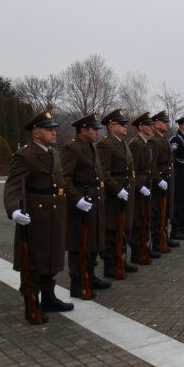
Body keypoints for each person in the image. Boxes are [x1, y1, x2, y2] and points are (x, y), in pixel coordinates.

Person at [3, 109, 71, 321]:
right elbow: (12, 186)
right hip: (37, 216)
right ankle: (31, 301)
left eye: (54, 130)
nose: (54, 133)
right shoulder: (26, 155)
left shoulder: (54, 154)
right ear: (36, 133)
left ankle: (49, 297)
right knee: (33, 260)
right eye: (48, 130)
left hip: (56, 214)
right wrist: (14, 209)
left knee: (52, 256)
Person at [60, 113, 110, 298]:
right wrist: (76, 198)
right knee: (78, 244)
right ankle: (77, 283)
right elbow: (64, 178)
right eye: (94, 129)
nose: (98, 132)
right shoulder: (71, 148)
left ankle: (90, 276)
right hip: (79, 204)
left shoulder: (91, 146)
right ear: (83, 130)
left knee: (93, 241)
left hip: (93, 201)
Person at [97, 109, 137, 276]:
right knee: (111, 229)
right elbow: (104, 172)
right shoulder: (105, 144)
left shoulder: (122, 142)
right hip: (113, 194)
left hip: (125, 189)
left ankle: (121, 258)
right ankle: (109, 264)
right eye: (122, 124)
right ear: (111, 126)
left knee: (124, 227)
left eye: (125, 123)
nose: (125, 126)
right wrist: (117, 189)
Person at [127, 112, 158, 262]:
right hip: (139, 187)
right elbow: (132, 169)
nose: (152, 128)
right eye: (149, 125)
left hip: (146, 184)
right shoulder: (135, 143)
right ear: (140, 127)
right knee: (137, 219)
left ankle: (144, 247)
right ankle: (136, 252)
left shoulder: (145, 143)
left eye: (152, 125)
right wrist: (140, 186)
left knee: (146, 217)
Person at [148, 112, 179, 253]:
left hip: (167, 178)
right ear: (155, 124)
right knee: (157, 210)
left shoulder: (164, 139)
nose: (167, 124)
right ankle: (156, 241)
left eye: (167, 121)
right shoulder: (153, 140)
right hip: (159, 180)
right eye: (163, 121)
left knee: (166, 209)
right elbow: (152, 165)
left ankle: (164, 237)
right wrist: (158, 179)